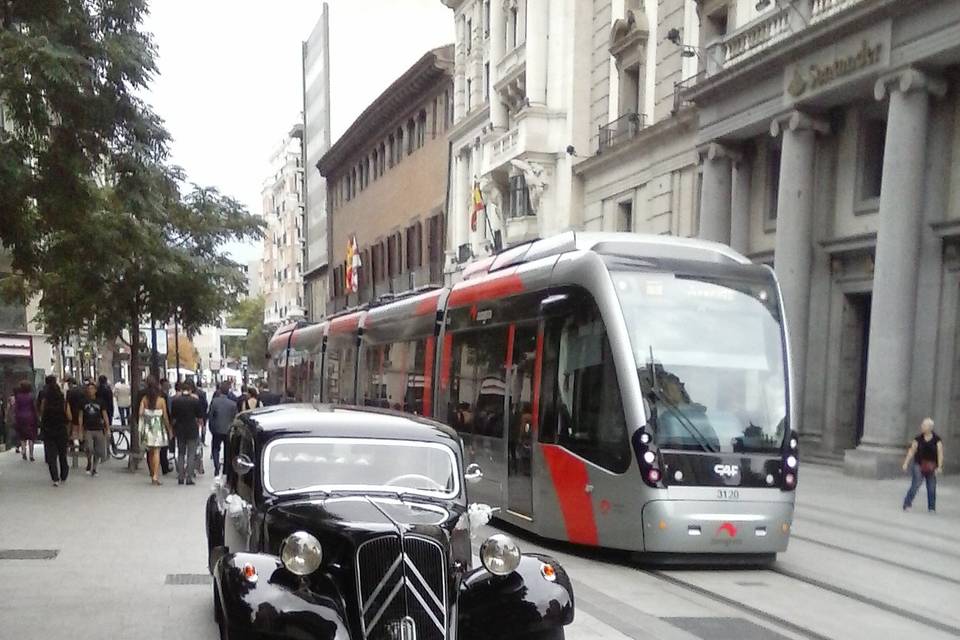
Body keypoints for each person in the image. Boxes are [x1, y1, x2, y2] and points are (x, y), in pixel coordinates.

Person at [902, 417, 945, 512]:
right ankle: (907, 503)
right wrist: (906, 463)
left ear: (930, 427)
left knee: (931, 487)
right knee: (916, 484)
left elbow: (940, 453)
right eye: (922, 425)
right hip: (919, 464)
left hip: (932, 465)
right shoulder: (918, 439)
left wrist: (940, 466)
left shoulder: (937, 440)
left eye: (924, 425)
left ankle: (931, 507)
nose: (922, 427)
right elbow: (912, 451)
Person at [139, 375, 173, 486]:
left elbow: (140, 413)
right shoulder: (161, 400)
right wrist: (169, 430)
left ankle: (152, 472)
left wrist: (148, 414)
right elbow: (166, 417)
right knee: (157, 451)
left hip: (148, 428)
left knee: (150, 451)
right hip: (158, 429)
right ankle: (155, 476)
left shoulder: (144, 399)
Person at [170, 379, 203, 485]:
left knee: (180, 453)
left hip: (180, 429)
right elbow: (199, 417)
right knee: (191, 454)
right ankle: (189, 477)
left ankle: (180, 477)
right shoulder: (195, 401)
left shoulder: (176, 400)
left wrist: (173, 428)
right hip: (192, 429)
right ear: (190, 390)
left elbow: (173, 418)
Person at [40, 376, 71, 486]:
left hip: (48, 429)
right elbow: (69, 416)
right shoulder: (62, 400)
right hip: (61, 429)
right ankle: (64, 475)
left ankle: (55, 478)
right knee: (62, 454)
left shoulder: (45, 398)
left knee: (51, 455)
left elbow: (42, 412)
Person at [207, 380, 238, 476]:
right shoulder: (233, 404)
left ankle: (216, 467)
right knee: (227, 450)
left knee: (215, 448)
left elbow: (210, 416)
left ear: (220, 390)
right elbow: (235, 418)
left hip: (217, 429)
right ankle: (225, 469)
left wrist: (211, 428)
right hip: (228, 430)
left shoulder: (214, 402)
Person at [80, 382, 109, 476]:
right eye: (89, 388)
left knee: (98, 450)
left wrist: (107, 428)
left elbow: (105, 415)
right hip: (88, 428)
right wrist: (80, 429)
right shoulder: (83, 401)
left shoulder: (100, 402)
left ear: (95, 390)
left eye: (92, 388)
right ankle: (89, 461)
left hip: (99, 428)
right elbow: (80, 416)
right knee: (89, 447)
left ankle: (95, 468)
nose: (90, 390)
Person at [12, 381, 38, 461]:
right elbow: (34, 407)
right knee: (31, 437)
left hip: (20, 417)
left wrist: (15, 417)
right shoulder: (31, 396)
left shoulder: (18, 397)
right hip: (30, 417)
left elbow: (16, 408)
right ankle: (31, 455)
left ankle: (23, 451)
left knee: (22, 436)